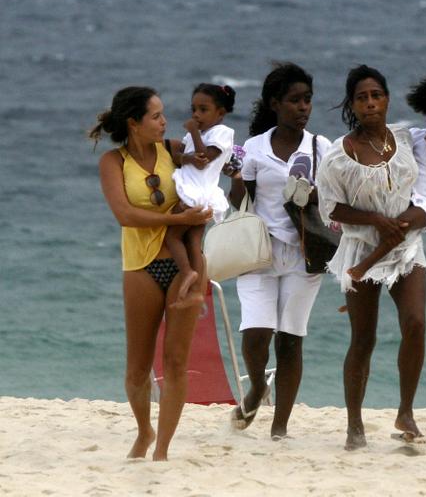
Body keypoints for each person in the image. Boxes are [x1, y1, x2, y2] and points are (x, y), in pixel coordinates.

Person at [318, 65, 426, 450]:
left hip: (406, 245)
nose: (370, 103)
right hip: (362, 247)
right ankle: (354, 426)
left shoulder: (407, 139)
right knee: (363, 338)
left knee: (415, 323)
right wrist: (376, 219)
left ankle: (405, 411)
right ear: (352, 104)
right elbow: (331, 210)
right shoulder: (338, 156)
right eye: (362, 97)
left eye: (376, 95)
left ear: (387, 99)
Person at [91, 86, 212, 461]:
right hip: (140, 266)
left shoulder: (173, 151)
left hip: (185, 266)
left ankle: (162, 450)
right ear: (134, 122)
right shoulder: (113, 161)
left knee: (176, 362)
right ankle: (145, 431)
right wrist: (177, 218)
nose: (163, 122)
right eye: (156, 116)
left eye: (163, 115)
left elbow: (204, 170)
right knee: (137, 368)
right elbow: (124, 215)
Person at [228, 63, 331, 440]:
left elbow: (335, 201)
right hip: (259, 252)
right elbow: (237, 201)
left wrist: (312, 193)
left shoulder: (322, 148)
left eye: (307, 100)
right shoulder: (253, 147)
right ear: (275, 103)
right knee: (256, 335)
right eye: (294, 100)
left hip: (305, 255)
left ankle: (280, 427)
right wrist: (236, 175)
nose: (303, 107)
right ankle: (257, 386)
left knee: (290, 338)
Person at [347, 72, 426, 282]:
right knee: (385, 226)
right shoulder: (415, 135)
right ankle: (370, 276)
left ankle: (363, 268)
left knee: (400, 226)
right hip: (405, 197)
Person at [165, 83, 236, 307]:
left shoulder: (221, 133)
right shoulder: (198, 134)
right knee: (194, 242)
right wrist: (186, 154)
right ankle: (196, 292)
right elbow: (185, 158)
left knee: (173, 237)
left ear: (220, 114)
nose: (196, 115)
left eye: (203, 110)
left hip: (195, 195)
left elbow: (203, 158)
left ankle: (187, 273)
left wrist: (193, 132)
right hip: (198, 194)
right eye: (193, 109)